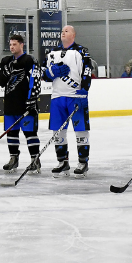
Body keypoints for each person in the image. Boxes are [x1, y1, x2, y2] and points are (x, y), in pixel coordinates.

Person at [43, 25, 92, 177]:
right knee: (58, 132)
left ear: (74, 35)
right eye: (62, 31)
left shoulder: (82, 51)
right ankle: (62, 161)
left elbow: (87, 70)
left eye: (67, 31)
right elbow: (44, 74)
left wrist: (84, 90)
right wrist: (51, 72)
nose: (63, 32)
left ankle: (83, 162)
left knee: (81, 131)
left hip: (76, 96)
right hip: (57, 97)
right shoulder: (52, 52)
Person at [0, 33, 41, 173]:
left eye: (14, 44)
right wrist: (5, 73)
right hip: (10, 104)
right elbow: (0, 80)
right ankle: (13, 158)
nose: (12, 47)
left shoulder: (29, 60)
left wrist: (32, 99)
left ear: (22, 45)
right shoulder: (6, 61)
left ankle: (35, 160)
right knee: (11, 133)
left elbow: (35, 80)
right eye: (10, 44)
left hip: (26, 104)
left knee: (30, 133)